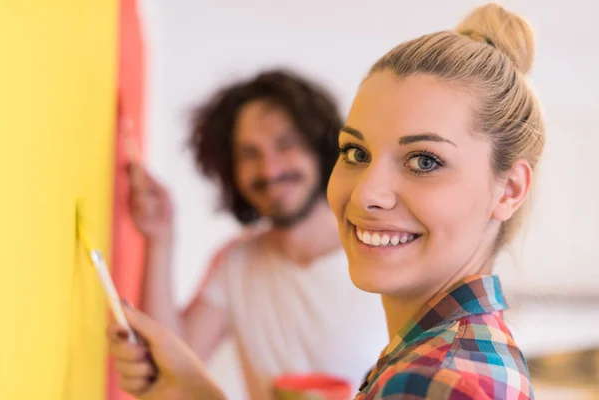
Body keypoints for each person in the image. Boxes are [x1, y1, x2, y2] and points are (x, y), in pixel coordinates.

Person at [108, 3, 545, 399]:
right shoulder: (433, 356)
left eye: (425, 161)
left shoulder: (439, 381)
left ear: (508, 190)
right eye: (356, 153)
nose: (367, 193)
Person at [125, 70, 388, 399]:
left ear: (320, 149)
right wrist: (160, 239)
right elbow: (168, 363)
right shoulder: (238, 261)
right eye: (250, 154)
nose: (269, 169)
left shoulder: (382, 251)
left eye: (285, 145)